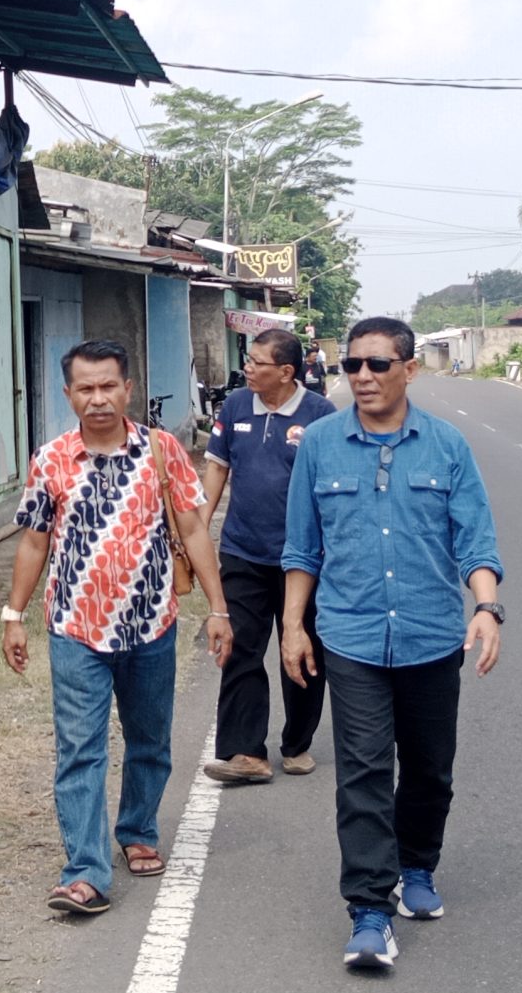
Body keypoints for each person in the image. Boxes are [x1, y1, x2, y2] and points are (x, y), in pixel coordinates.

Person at [280, 316, 503, 971]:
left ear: (410, 367)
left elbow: (476, 538)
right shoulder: (320, 443)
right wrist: (293, 623)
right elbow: (302, 545)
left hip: (432, 634)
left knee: (431, 767)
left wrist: (486, 605)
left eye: (378, 364)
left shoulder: (447, 445)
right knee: (365, 773)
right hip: (349, 635)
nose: (363, 377)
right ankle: (370, 910)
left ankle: (418, 863)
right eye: (352, 365)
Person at [1, 339, 233, 917]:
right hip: (75, 626)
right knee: (80, 751)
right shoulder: (51, 459)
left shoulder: (164, 451)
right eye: (86, 388)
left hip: (151, 623)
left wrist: (219, 608)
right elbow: (33, 541)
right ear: (68, 395)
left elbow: (194, 529)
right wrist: (13, 615)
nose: (98, 398)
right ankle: (85, 872)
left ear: (128, 389)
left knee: (149, 740)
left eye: (109, 386)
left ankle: (137, 829)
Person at [199, 328, 335, 785]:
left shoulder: (320, 414)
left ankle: (297, 742)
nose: (247, 369)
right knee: (240, 649)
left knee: (302, 650)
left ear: (286, 371)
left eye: (257, 362)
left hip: (304, 557)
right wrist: (197, 528)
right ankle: (245, 752)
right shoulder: (236, 404)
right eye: (248, 360)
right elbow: (217, 468)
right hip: (243, 549)